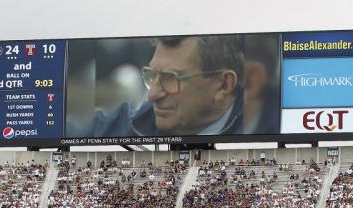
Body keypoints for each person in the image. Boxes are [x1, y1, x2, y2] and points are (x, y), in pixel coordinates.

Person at [83, 35, 244, 137]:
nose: (152, 95)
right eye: (152, 75)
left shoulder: (262, 128)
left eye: (170, 78)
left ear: (224, 85)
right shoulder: (123, 128)